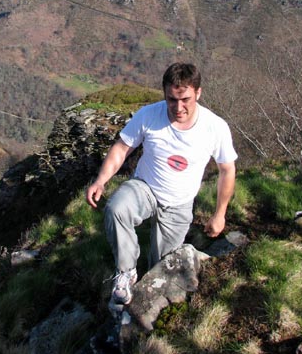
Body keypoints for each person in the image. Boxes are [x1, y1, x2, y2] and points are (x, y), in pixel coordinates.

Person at [86, 62, 237, 307]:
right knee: (117, 208)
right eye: (171, 100)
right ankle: (125, 271)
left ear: (198, 93)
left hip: (179, 203)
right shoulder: (149, 115)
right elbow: (122, 147)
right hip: (145, 187)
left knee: (160, 266)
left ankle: (143, 302)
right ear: (164, 94)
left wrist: (220, 214)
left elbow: (227, 169)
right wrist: (101, 181)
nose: (179, 107)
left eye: (185, 99)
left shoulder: (215, 128)